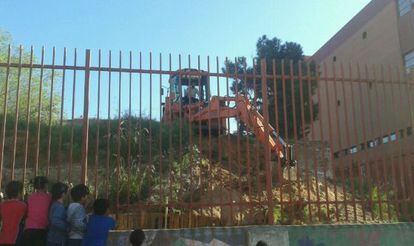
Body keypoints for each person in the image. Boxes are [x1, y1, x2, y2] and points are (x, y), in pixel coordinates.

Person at [23, 176, 52, 246]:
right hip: (41, 229)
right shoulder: (49, 197)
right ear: (45, 185)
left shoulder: (29, 197)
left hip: (28, 228)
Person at [0, 181, 27, 245]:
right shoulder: (23, 205)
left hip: (3, 237)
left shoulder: (2, 205)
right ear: (19, 193)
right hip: (16, 237)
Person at [47, 182, 69, 246]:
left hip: (52, 238)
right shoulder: (59, 206)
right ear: (63, 194)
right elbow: (55, 221)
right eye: (67, 192)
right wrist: (67, 227)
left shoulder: (54, 204)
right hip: (57, 239)